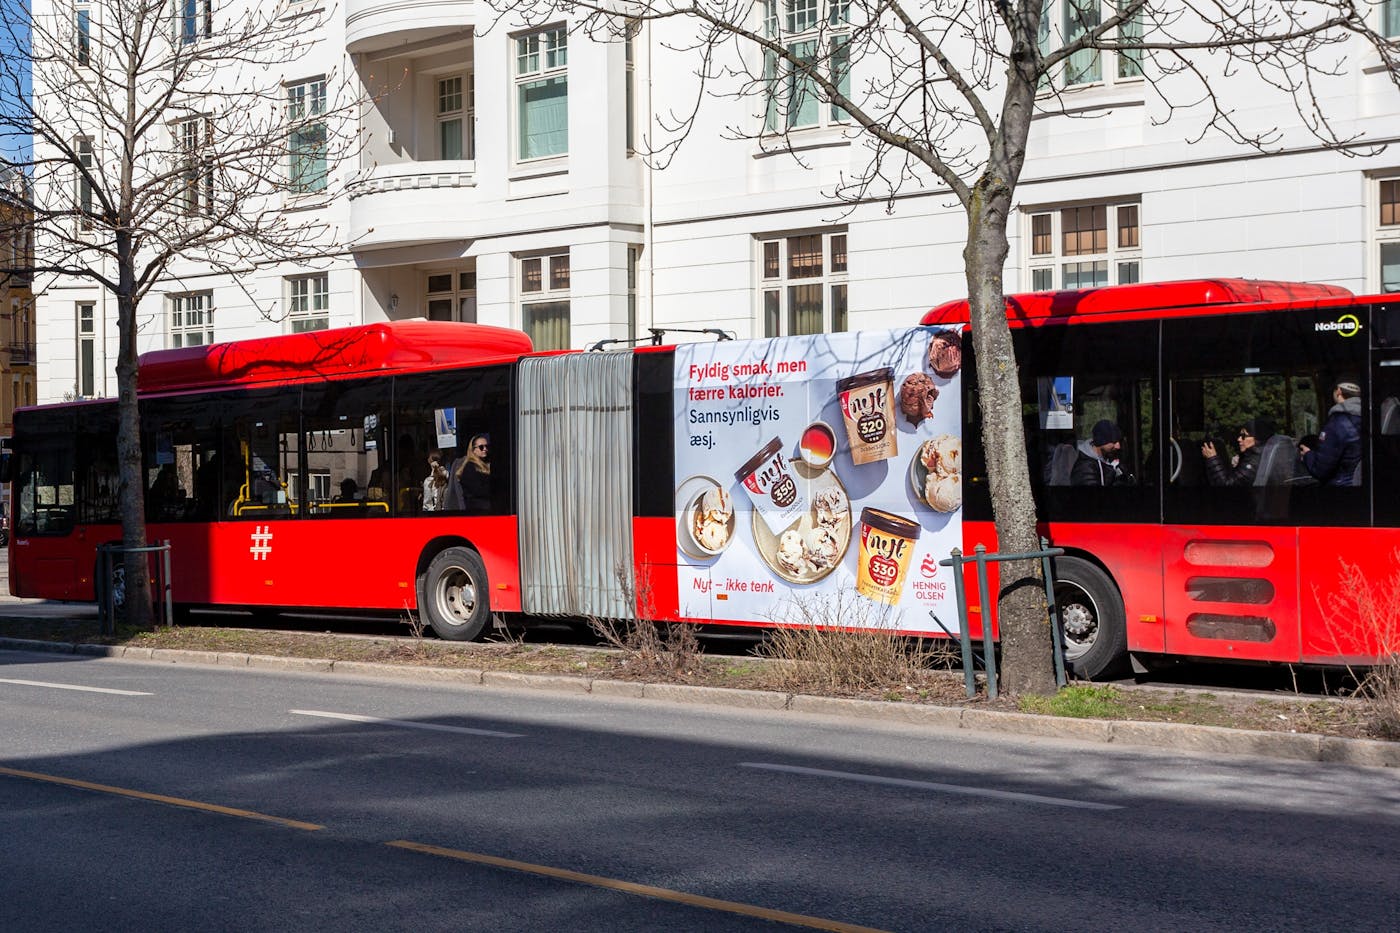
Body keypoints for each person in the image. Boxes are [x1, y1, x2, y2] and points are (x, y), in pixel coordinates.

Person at [1301, 381, 1362, 486]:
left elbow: (1320, 469)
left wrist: (1307, 455)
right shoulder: (1367, 417)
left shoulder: (1337, 423)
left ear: (1338, 391)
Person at [1202, 417, 1275, 487]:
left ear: (1257, 438)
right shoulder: (1261, 456)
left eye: (1244, 436)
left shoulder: (1253, 462)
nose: (1239, 439)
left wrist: (1212, 459)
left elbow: (1227, 485)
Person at [1071, 419, 1128, 486]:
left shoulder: (1109, 457)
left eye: (1119, 441)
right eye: (1114, 442)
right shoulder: (1085, 469)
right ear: (1101, 442)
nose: (1118, 446)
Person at [445, 433, 492, 513]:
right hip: (477, 511)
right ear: (473, 450)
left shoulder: (485, 464)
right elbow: (478, 490)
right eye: (481, 447)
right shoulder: (470, 467)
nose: (485, 449)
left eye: (487, 446)